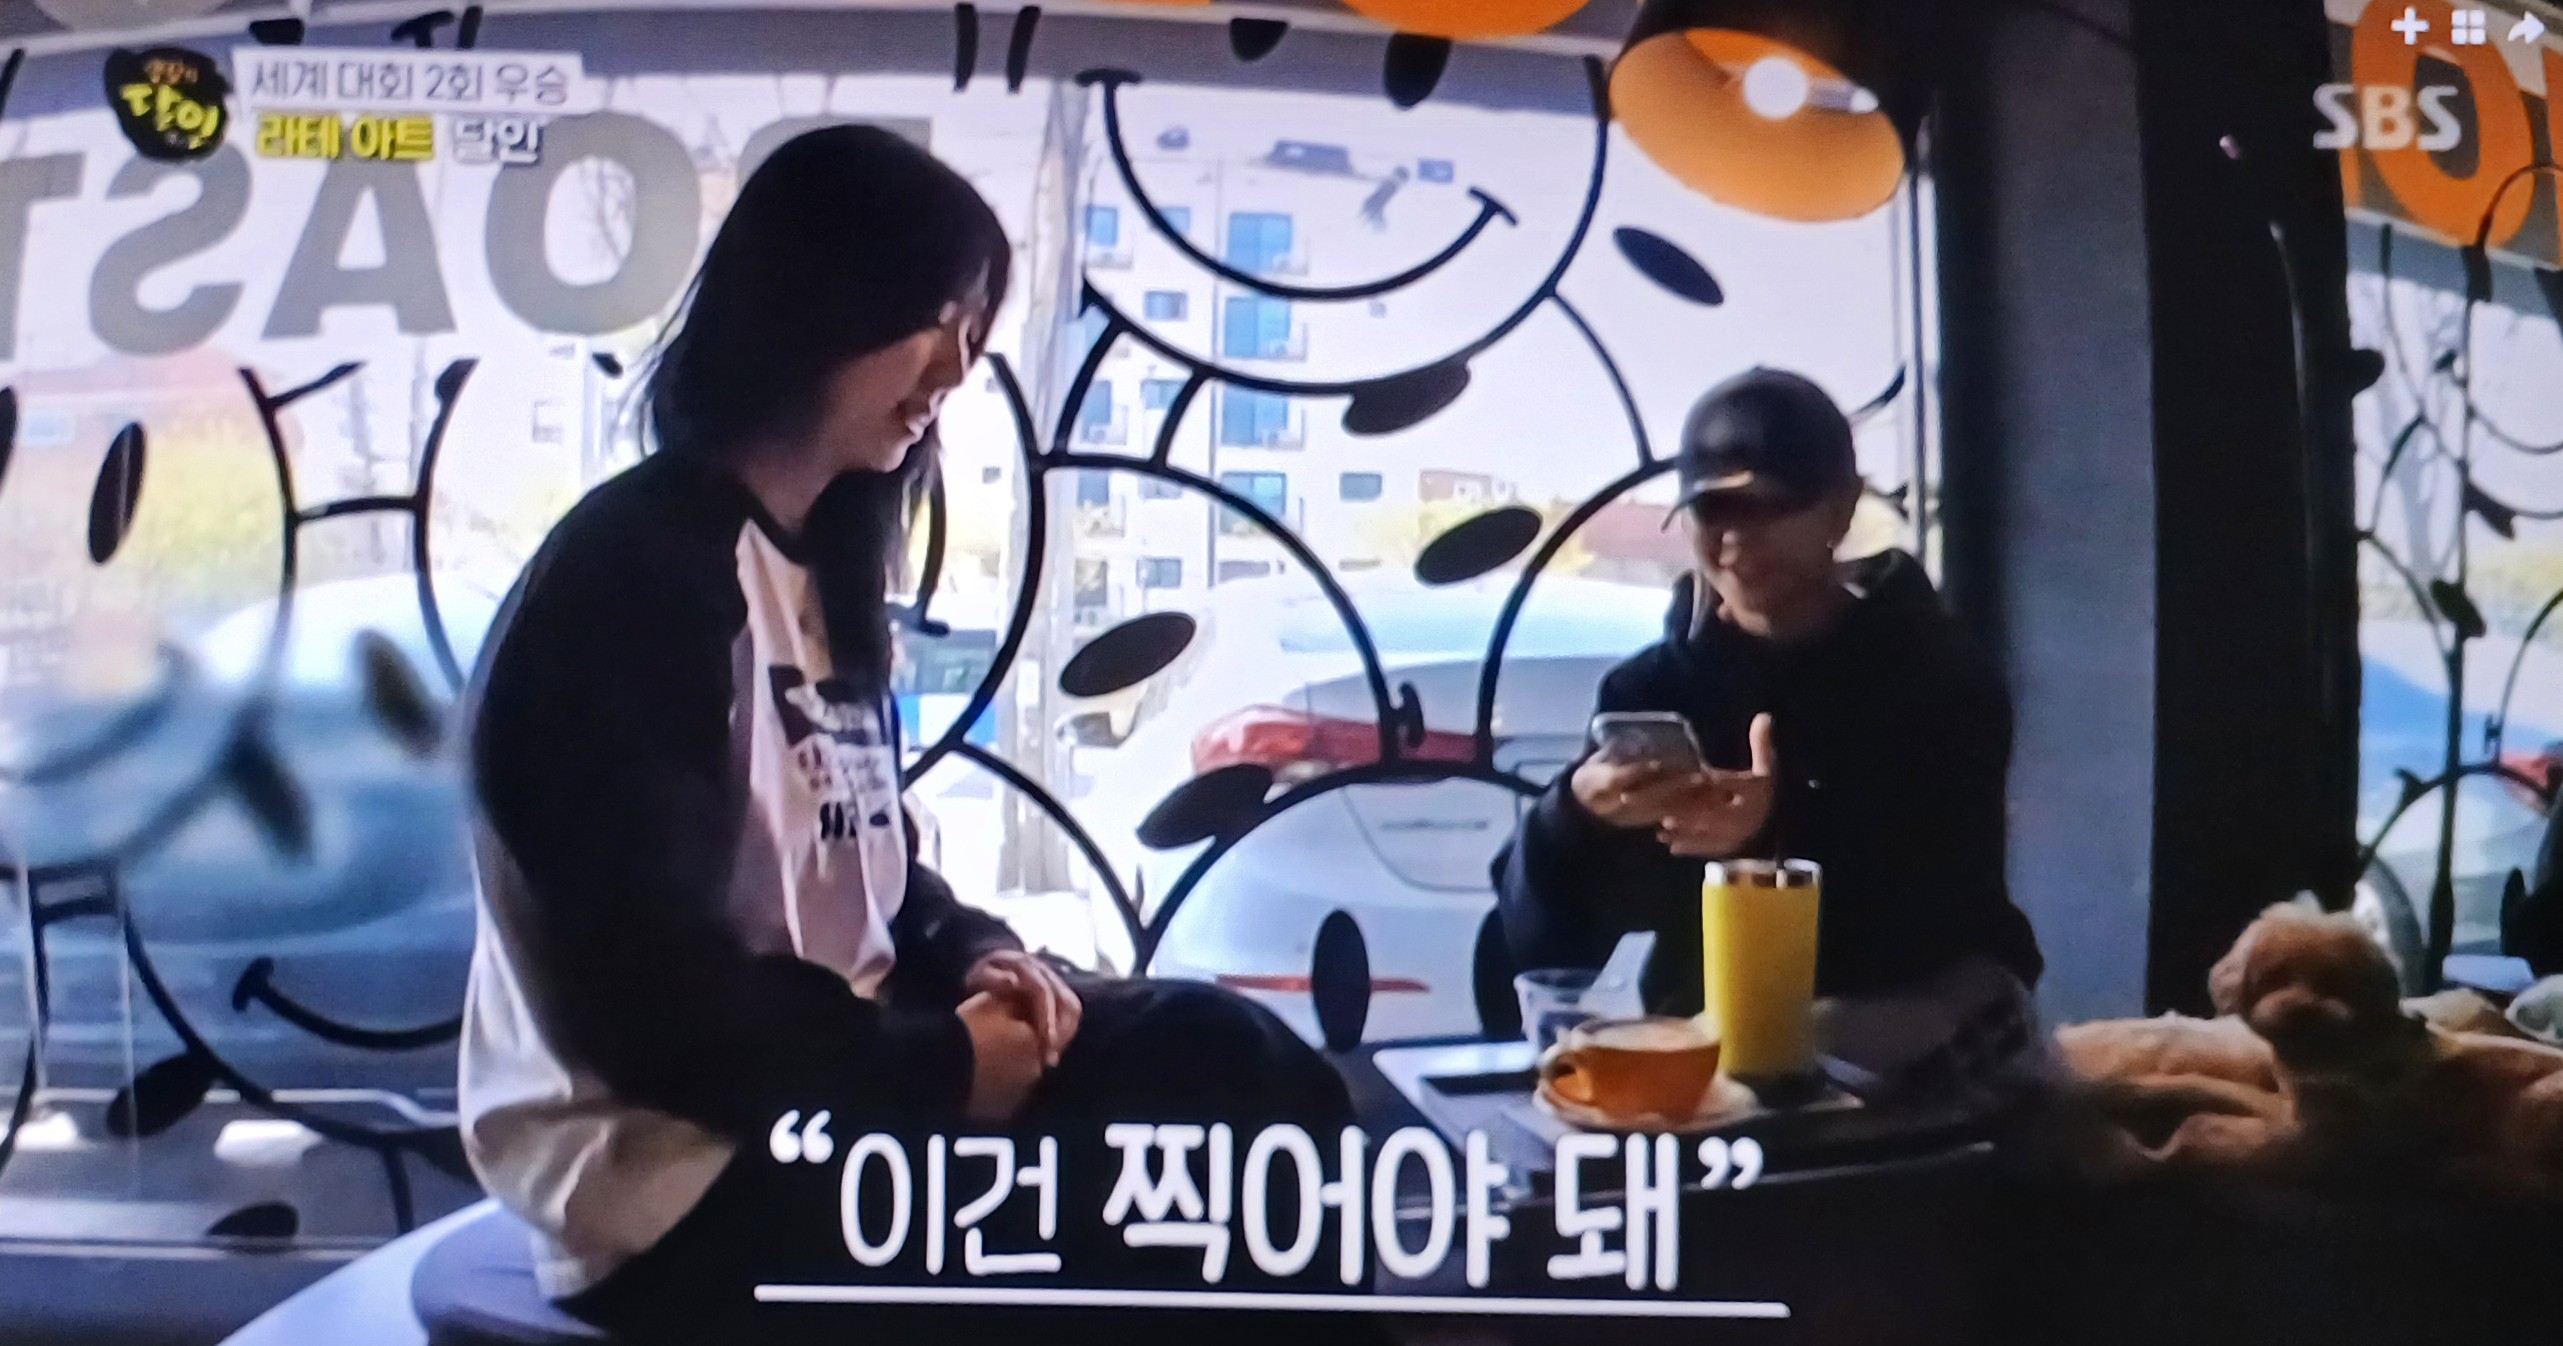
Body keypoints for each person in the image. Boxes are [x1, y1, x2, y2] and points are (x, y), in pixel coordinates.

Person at [457, 127, 1352, 1344]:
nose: (958, 366)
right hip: (684, 1180)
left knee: (1227, 1062)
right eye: (940, 318)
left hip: (830, 1100)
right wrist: (937, 1069)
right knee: (1201, 1173)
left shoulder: (821, 567)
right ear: (820, 301)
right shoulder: (636, 576)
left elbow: (858, 868)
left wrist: (976, 954)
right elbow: (645, 995)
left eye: (975, 330)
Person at [1492, 369, 2044, 1087]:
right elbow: (1542, 954)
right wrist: (1577, 819)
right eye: (1712, 510)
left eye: (1770, 507)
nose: (1735, 540)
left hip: (1929, 1020)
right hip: (1718, 1046)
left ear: (1840, 509)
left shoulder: (1935, 675)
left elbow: (1941, 909)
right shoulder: (1654, 690)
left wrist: (1771, 840)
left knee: (1783, 1052)